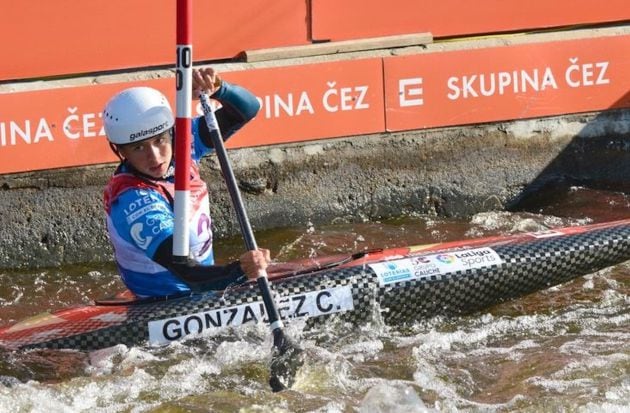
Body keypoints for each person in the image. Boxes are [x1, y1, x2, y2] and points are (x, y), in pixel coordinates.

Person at [102, 67, 270, 297]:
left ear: (170, 133)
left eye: (159, 140)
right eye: (138, 147)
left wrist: (217, 88)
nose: (155, 156)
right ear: (120, 151)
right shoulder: (133, 201)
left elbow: (247, 109)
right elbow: (188, 274)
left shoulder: (183, 142)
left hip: (211, 286)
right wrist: (239, 271)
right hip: (161, 303)